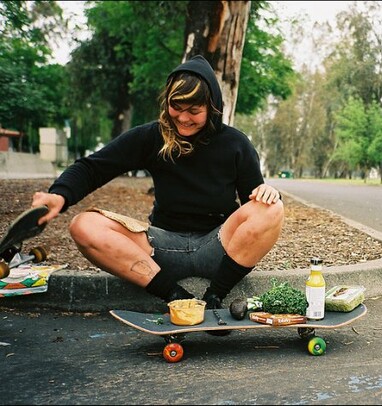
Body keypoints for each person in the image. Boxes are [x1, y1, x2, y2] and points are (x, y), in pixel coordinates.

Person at [31, 55, 284, 314]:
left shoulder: (236, 143)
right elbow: (93, 167)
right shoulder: (152, 136)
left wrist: (267, 193)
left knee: (272, 208)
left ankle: (214, 298)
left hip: (217, 247)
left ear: (212, 107)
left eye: (194, 111)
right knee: (83, 225)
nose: (184, 118)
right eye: (177, 107)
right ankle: (176, 297)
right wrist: (59, 196)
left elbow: (254, 204)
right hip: (161, 248)